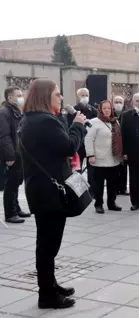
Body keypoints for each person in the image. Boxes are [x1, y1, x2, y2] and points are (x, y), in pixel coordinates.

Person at [19, 79, 87, 309]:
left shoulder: (31, 120)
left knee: (47, 243)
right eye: (57, 94)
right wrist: (77, 124)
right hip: (49, 191)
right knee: (48, 245)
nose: (61, 98)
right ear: (45, 96)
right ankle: (46, 295)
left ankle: (50, 284)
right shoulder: (44, 122)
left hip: (40, 189)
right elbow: (69, 147)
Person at [84, 100, 124, 214]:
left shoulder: (115, 122)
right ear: (100, 109)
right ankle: (99, 204)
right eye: (104, 108)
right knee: (99, 184)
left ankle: (111, 203)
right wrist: (90, 155)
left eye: (109, 108)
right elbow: (88, 139)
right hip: (99, 159)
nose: (107, 110)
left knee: (112, 183)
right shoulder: (93, 122)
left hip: (113, 158)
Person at [0, 86, 31, 223]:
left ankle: (16, 208)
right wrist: (10, 156)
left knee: (16, 182)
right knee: (10, 184)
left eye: (21, 95)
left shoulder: (17, 111)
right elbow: (4, 136)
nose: (21, 97)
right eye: (18, 95)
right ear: (9, 97)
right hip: (12, 154)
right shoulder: (4, 112)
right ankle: (10, 213)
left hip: (19, 153)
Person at [67, 88, 98, 190]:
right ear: (78, 96)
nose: (84, 97)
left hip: (89, 143)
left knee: (92, 168)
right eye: (82, 95)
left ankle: (92, 190)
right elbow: (69, 126)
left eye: (86, 95)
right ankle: (78, 190)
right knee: (77, 168)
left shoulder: (94, 110)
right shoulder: (73, 110)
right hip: (77, 142)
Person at [112, 95, 129, 196]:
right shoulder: (110, 113)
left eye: (120, 102)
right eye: (116, 102)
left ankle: (123, 188)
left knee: (123, 168)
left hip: (124, 144)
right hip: (113, 144)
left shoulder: (126, 114)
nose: (118, 104)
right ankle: (115, 188)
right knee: (114, 168)